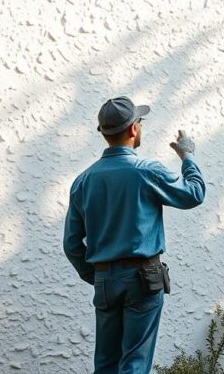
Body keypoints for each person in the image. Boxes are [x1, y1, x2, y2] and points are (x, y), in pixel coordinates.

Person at [63, 96, 206, 374]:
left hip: (105, 280)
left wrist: (97, 275)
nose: (141, 127)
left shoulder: (83, 180)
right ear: (132, 130)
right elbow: (195, 194)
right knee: (134, 365)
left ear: (105, 133)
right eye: (140, 122)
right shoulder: (146, 172)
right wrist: (187, 157)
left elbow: (71, 243)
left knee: (105, 365)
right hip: (142, 279)